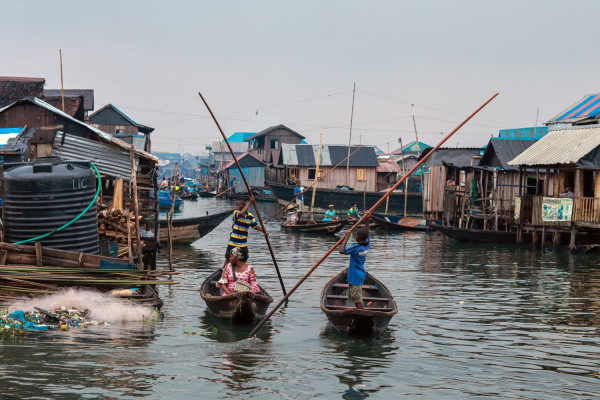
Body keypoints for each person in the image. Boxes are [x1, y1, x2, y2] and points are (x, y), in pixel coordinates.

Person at [224, 198, 267, 268]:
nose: (237, 206)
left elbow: (255, 226)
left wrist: (264, 230)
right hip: (233, 242)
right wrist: (250, 202)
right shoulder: (236, 212)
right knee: (228, 259)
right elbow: (241, 213)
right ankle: (223, 273)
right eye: (236, 205)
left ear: (244, 205)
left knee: (243, 260)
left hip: (243, 244)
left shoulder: (250, 216)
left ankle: (240, 273)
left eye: (239, 205)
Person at [338, 214, 370, 309]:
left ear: (358, 237)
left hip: (355, 275)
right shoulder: (367, 245)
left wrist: (346, 238)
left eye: (356, 234)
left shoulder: (355, 247)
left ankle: (362, 314)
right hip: (360, 273)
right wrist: (367, 220)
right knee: (356, 297)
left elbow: (341, 251)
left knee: (357, 299)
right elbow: (367, 232)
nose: (355, 236)